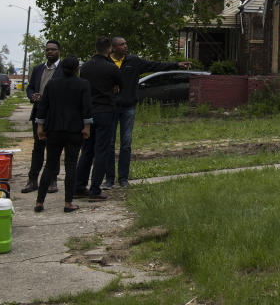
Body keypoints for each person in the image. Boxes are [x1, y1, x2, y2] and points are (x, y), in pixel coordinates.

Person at [107, 36, 190, 188]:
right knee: (109, 143)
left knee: (126, 143)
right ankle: (109, 179)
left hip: (128, 107)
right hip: (109, 108)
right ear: (113, 48)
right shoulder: (106, 62)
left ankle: (123, 179)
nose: (125, 46)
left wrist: (176, 64)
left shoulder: (133, 61)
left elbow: (155, 65)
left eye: (126, 43)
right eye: (121, 44)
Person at [33, 56, 91, 213]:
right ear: (76, 69)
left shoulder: (52, 84)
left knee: (50, 165)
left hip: (54, 129)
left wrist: (40, 126)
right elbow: (86, 108)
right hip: (74, 130)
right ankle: (68, 203)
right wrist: (87, 127)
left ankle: (39, 202)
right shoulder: (83, 84)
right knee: (71, 166)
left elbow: (43, 106)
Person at [73, 36, 122, 201]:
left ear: (95, 48)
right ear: (109, 49)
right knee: (101, 151)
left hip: (88, 112)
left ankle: (79, 187)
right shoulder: (111, 67)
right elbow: (120, 84)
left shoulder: (85, 67)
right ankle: (95, 189)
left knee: (86, 150)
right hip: (106, 111)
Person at [21, 40, 64, 194]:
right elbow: (30, 87)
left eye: (53, 49)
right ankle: (32, 180)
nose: (50, 52)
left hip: (55, 114)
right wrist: (33, 96)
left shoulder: (63, 69)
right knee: (38, 148)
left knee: (54, 148)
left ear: (59, 51)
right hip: (39, 112)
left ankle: (53, 180)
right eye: (47, 50)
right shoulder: (38, 69)